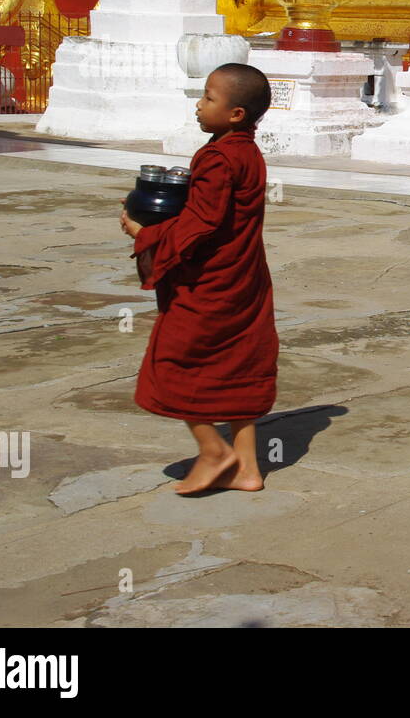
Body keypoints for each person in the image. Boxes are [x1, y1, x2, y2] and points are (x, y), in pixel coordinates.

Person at [120, 63, 278, 495]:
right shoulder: (246, 151)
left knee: (172, 362)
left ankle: (213, 450)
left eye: (209, 98)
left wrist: (146, 234)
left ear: (236, 115)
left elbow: (203, 223)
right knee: (239, 367)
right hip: (245, 278)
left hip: (210, 282)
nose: (199, 105)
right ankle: (248, 469)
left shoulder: (219, 157)